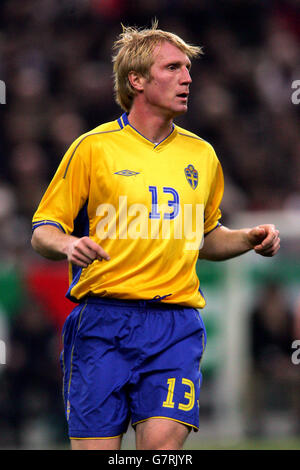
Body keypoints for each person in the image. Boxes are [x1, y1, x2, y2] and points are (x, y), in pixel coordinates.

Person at [31, 23, 280, 450]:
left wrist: (245, 238)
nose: (187, 78)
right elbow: (43, 231)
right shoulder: (93, 148)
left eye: (187, 69)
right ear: (137, 80)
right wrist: (69, 243)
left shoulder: (202, 155)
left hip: (175, 326)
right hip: (103, 323)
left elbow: (203, 237)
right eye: (173, 68)